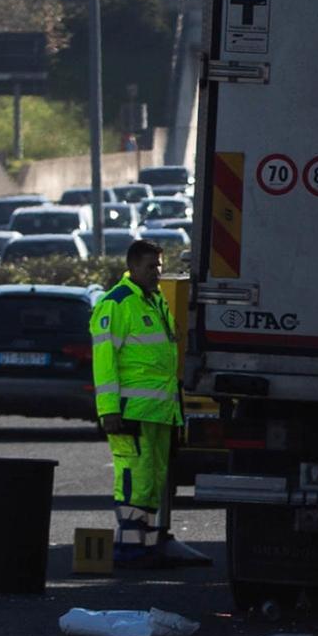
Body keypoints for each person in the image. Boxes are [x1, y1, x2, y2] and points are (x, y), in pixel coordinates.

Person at [94, 239, 205, 568]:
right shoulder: (117, 304)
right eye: (150, 266)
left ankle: (147, 546)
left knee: (155, 480)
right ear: (132, 266)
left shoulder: (154, 301)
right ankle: (129, 549)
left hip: (158, 411)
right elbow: (104, 362)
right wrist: (109, 410)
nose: (157, 272)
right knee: (135, 479)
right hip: (131, 412)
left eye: (159, 265)